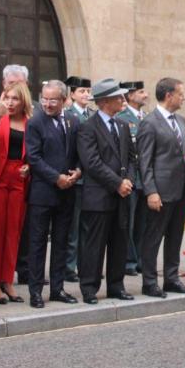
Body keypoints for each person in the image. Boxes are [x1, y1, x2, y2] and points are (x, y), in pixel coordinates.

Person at [75, 79, 135, 304]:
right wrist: (117, 183)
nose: (122, 100)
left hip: (122, 194)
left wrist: (128, 179)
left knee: (119, 241)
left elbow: (131, 157)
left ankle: (116, 285)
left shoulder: (122, 125)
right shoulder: (88, 127)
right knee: (94, 244)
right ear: (104, 101)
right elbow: (92, 163)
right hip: (99, 196)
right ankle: (89, 288)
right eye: (118, 97)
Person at [137, 77, 185, 298]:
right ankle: (150, 282)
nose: (183, 97)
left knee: (175, 236)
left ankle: (172, 278)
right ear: (169, 95)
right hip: (160, 192)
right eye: (180, 94)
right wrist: (150, 191)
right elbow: (145, 161)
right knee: (153, 237)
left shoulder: (182, 121)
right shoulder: (150, 123)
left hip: (181, 190)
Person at [25, 80, 81, 308]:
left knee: (61, 242)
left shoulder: (73, 121)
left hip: (67, 193)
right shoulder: (36, 121)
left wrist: (78, 172)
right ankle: (35, 292)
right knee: (37, 244)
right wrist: (56, 178)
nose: (48, 104)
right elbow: (34, 157)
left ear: (64, 100)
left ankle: (57, 288)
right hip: (43, 192)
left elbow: (79, 152)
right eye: (45, 99)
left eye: (53, 100)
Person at [0, 82, 33, 305]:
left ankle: (8, 279)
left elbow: (36, 151)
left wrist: (29, 166)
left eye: (15, 99)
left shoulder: (30, 121)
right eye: (8, 97)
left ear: (24, 101)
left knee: (14, 232)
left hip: (19, 179)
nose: (11, 103)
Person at [62, 76, 92, 282]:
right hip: (75, 178)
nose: (86, 95)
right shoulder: (68, 115)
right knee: (72, 227)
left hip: (91, 179)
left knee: (87, 227)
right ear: (72, 94)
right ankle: (68, 266)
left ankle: (84, 264)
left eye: (88, 91)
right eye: (82, 91)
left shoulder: (92, 115)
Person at [117, 81, 148, 277]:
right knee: (128, 221)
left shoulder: (147, 117)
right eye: (141, 92)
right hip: (131, 177)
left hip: (145, 178)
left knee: (142, 223)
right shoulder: (122, 118)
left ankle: (140, 259)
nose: (145, 95)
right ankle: (128, 260)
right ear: (129, 96)